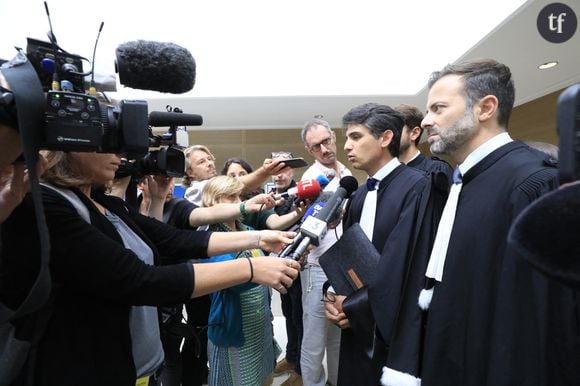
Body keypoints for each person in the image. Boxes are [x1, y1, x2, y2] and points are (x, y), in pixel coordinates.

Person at [0, 149, 301, 386]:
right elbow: (139, 279)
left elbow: (173, 240)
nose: (119, 155)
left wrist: (260, 236)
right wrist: (250, 269)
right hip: (83, 367)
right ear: (70, 146)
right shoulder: (50, 203)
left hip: (139, 363)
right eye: (107, 144)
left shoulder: (106, 204)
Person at [407, 58, 579, 386]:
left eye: (438, 108)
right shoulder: (466, 180)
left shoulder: (535, 182)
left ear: (485, 108)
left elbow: (542, 325)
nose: (427, 120)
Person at [322, 103, 444, 385]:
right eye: (346, 139)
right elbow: (349, 257)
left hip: (393, 330)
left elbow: (409, 269)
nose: (347, 147)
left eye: (356, 137)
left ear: (386, 138)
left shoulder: (419, 187)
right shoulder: (359, 194)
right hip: (355, 327)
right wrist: (332, 295)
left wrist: (355, 307)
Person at [201, 176, 279, 386]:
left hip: (259, 325)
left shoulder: (250, 232)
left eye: (239, 196)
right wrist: (272, 269)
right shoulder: (209, 241)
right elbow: (235, 283)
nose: (238, 202)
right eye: (230, 197)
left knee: (263, 378)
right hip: (234, 332)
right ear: (212, 203)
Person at [299, 117, 352, 386]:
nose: (324, 149)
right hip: (318, 267)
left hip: (343, 267)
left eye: (326, 141)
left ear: (334, 137)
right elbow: (307, 227)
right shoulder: (311, 180)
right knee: (315, 339)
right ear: (310, 151)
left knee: (338, 337)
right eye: (316, 146)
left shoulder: (348, 171)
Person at [270, 151, 304, 386]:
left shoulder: (302, 194)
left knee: (300, 317)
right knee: (289, 311)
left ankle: (302, 368)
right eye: (276, 170)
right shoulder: (269, 197)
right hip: (277, 265)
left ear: (292, 171)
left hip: (301, 265)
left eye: (284, 170)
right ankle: (291, 357)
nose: (280, 175)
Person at [394, 103, 453, 183]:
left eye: (395, 129)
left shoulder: (437, 170)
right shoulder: (389, 174)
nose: (389, 136)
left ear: (414, 133)